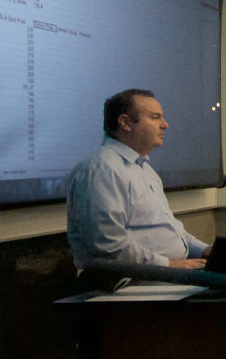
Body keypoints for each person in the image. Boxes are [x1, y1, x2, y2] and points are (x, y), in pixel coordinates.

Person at [65, 88, 211, 269]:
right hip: (132, 283)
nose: (165, 125)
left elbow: (171, 230)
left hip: (165, 275)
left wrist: (207, 251)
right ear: (125, 123)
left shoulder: (144, 169)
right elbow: (109, 245)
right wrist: (170, 265)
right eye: (155, 117)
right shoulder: (102, 169)